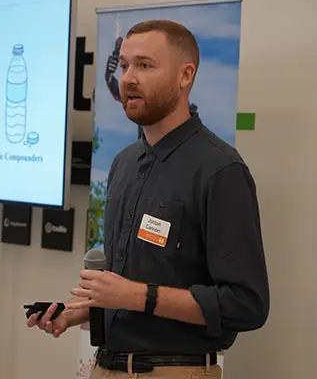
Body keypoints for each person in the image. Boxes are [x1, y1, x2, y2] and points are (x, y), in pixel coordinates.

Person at [26, 19, 270, 378]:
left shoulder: (220, 170)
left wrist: (137, 296)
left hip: (174, 371)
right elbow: (128, 286)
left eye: (144, 65)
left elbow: (246, 305)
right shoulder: (123, 163)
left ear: (185, 75)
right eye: (124, 65)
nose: (128, 78)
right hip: (105, 367)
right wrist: (80, 310)